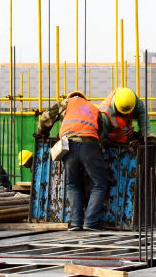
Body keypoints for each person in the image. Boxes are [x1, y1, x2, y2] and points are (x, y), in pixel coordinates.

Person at [37, 91, 109, 231]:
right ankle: (91, 222)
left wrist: (42, 134)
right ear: (84, 99)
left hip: (68, 146)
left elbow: (46, 118)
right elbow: (103, 132)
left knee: (73, 184)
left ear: (71, 97)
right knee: (99, 184)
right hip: (90, 146)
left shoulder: (65, 103)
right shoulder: (94, 108)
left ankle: (75, 223)